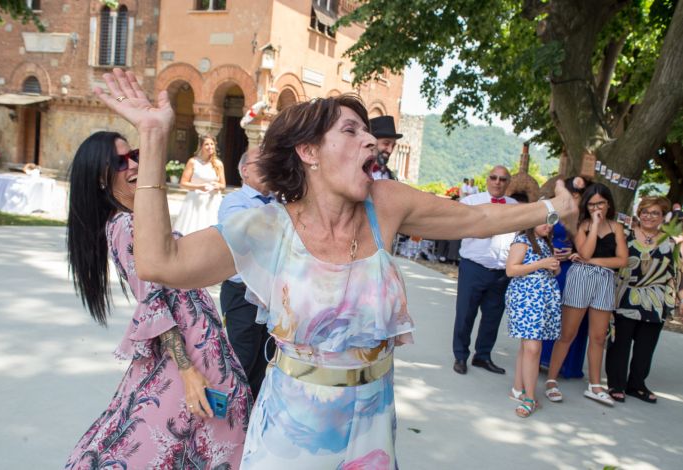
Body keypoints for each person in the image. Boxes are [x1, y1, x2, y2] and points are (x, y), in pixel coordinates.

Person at [94, 68, 576, 468]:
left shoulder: (384, 205)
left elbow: (477, 218)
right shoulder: (267, 227)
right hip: (292, 429)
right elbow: (160, 262)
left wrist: (551, 208)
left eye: (370, 133)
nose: (371, 140)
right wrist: (153, 138)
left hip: (372, 422)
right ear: (309, 153)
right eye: (351, 131)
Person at [64, 132, 251, 469]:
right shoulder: (125, 224)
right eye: (120, 161)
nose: (134, 164)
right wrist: (188, 372)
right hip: (188, 359)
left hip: (203, 348)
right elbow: (152, 300)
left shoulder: (139, 219)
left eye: (134, 154)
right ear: (100, 177)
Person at [545, 183, 628, 406]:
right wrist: (595, 224)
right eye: (591, 204)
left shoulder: (617, 228)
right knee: (567, 333)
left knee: (599, 336)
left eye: (600, 203)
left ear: (608, 203)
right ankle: (551, 380)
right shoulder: (581, 225)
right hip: (580, 277)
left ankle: (595, 385)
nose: (596, 207)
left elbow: (621, 260)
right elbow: (585, 251)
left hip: (605, 280)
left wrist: (591, 261)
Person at [606, 196, 681, 403]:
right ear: (639, 214)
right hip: (624, 297)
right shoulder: (625, 236)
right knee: (619, 344)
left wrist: (674, 304)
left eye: (655, 213)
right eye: (645, 212)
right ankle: (616, 384)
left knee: (645, 347)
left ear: (662, 217)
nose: (649, 216)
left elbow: (674, 275)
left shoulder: (669, 242)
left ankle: (637, 385)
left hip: (655, 302)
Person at [218, 147, 276, 399]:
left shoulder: (280, 202)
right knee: (241, 360)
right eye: (260, 163)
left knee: (265, 360)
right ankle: (232, 419)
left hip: (272, 295)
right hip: (242, 293)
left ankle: (251, 419)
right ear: (244, 170)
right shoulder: (234, 201)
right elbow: (243, 236)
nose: (267, 167)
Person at [452, 166, 517, 376]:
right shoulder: (471, 202)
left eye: (503, 179)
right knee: (465, 313)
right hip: (473, 266)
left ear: (508, 183)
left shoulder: (515, 206)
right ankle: (460, 355)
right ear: (488, 179)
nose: (498, 182)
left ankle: (483, 356)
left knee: (493, 316)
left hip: (501, 270)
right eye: (494, 178)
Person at [505, 223, 561, 417]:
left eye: (552, 220)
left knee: (526, 347)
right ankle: (530, 398)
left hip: (542, 300)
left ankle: (517, 388)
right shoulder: (522, 241)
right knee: (533, 349)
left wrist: (554, 267)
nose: (549, 225)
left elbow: (550, 271)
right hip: (527, 298)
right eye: (544, 220)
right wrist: (542, 263)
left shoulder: (545, 243)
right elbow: (511, 270)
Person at [540, 176, 590, 377]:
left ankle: (567, 364)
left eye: (579, 195)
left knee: (570, 315)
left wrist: (572, 253)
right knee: (549, 311)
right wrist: (550, 250)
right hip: (550, 265)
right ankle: (542, 357)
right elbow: (541, 233)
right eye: (572, 194)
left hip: (573, 268)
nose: (575, 198)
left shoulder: (585, 218)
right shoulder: (552, 211)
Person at [172, 134, 226, 235]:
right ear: (201, 146)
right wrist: (199, 187)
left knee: (212, 231)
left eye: (212, 144)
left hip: (213, 203)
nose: (210, 146)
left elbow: (223, 186)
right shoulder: (193, 162)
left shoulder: (218, 164)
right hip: (195, 202)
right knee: (192, 230)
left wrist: (217, 186)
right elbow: (183, 184)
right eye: (206, 144)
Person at [369, 115, 402, 180]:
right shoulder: (357, 173)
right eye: (386, 143)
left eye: (393, 146)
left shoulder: (390, 176)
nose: (390, 150)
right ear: (372, 142)